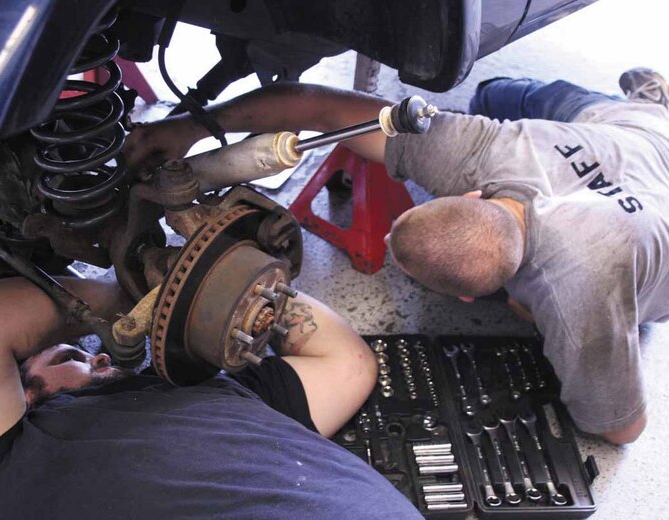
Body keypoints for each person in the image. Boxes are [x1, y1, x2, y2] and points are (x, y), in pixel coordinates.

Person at [126, 68, 669, 445]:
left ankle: (651, 96)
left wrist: (538, 314)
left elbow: (622, 429)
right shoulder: (485, 147)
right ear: (471, 192)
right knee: (497, 93)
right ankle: (648, 95)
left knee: (512, 98)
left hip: (644, 176)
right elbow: (316, 105)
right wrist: (189, 127)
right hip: (631, 134)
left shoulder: (580, 298)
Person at [0, 276, 423, 519]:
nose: (100, 353)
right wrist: (139, 296)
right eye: (72, 354)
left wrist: (236, 282)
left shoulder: (220, 392)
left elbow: (346, 363)